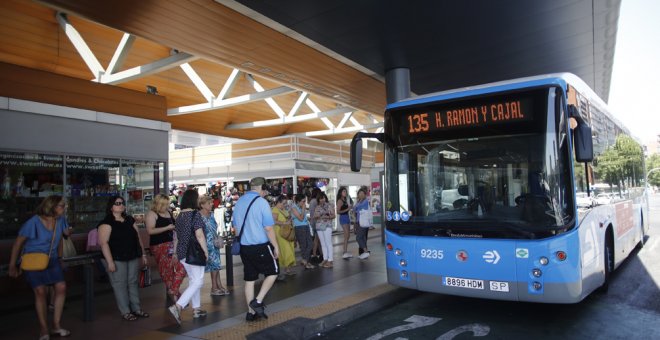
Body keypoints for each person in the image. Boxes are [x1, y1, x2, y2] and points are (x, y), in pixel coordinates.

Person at [8, 195, 70, 339]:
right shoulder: (34, 222)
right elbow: (18, 243)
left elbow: (60, 239)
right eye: (62, 205)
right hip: (33, 260)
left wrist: (60, 258)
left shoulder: (60, 220)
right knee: (40, 291)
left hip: (52, 259)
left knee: (61, 287)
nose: (64, 208)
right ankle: (43, 328)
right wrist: (12, 265)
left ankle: (56, 325)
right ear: (52, 206)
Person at [233, 177, 279, 321]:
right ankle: (257, 301)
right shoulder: (261, 202)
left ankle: (250, 313)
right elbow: (268, 228)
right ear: (261, 188)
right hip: (260, 246)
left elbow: (235, 227)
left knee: (250, 279)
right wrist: (276, 246)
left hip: (244, 247)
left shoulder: (239, 202)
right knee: (273, 272)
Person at [98, 196, 150, 322]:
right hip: (116, 258)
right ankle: (125, 311)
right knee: (119, 284)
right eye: (117, 203)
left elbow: (137, 238)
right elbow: (103, 243)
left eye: (122, 203)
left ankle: (136, 308)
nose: (121, 205)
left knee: (132, 282)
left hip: (131, 255)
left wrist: (143, 254)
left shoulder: (129, 220)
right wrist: (110, 262)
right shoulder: (106, 223)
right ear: (111, 207)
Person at [168, 189, 209, 324]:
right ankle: (178, 306)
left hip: (182, 252)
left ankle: (196, 309)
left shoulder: (179, 216)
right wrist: (205, 251)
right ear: (193, 199)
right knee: (198, 281)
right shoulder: (195, 214)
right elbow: (199, 235)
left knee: (193, 280)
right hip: (194, 252)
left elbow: (177, 238)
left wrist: (175, 252)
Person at [145, 194, 186, 303]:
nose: (167, 206)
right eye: (164, 204)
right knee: (167, 271)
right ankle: (176, 297)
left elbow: (175, 229)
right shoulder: (152, 214)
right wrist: (167, 228)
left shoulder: (168, 213)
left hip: (172, 244)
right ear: (159, 204)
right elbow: (150, 231)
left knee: (182, 267)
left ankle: (173, 291)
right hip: (159, 245)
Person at [198, 194, 229, 296]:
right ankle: (214, 287)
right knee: (214, 265)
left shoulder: (211, 214)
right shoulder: (199, 216)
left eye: (211, 202)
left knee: (216, 265)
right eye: (209, 203)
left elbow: (215, 227)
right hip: (206, 243)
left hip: (213, 243)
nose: (211, 204)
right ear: (202, 205)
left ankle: (219, 285)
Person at [272, 195, 296, 279]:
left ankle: (288, 268)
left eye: (285, 203)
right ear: (279, 202)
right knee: (285, 249)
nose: (285, 204)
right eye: (283, 203)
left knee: (290, 248)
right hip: (280, 233)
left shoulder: (284, 209)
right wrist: (284, 223)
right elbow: (273, 221)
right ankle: (287, 269)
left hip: (287, 232)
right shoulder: (275, 210)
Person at [291, 193, 314, 269]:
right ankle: (307, 262)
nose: (304, 203)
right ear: (298, 201)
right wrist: (304, 208)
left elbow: (304, 218)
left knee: (310, 244)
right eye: (303, 201)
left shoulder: (301, 207)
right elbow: (300, 218)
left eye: (305, 201)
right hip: (299, 227)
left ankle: (305, 260)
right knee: (303, 245)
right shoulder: (294, 207)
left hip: (306, 226)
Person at [314, 192, 336, 268]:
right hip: (319, 226)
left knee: (328, 243)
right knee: (323, 243)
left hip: (327, 225)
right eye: (320, 198)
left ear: (325, 198)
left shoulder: (329, 205)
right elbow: (315, 216)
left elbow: (334, 215)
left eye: (323, 198)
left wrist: (327, 217)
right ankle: (325, 259)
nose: (322, 200)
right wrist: (318, 215)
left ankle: (330, 260)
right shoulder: (317, 207)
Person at [353, 187, 371, 259]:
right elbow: (354, 209)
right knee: (362, 237)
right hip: (358, 221)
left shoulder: (365, 201)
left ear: (365, 194)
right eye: (359, 193)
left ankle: (366, 252)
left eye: (362, 193)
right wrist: (356, 207)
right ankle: (365, 252)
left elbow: (357, 208)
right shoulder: (359, 201)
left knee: (358, 238)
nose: (360, 194)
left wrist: (356, 207)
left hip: (363, 222)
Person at [336, 187, 353, 259]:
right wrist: (347, 209)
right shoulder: (339, 201)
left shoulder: (345, 199)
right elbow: (338, 212)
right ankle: (344, 252)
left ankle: (345, 251)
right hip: (343, 218)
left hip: (346, 217)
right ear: (340, 193)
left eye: (345, 191)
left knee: (348, 235)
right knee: (346, 235)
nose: (345, 193)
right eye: (343, 191)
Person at [308, 188, 322, 263]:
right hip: (316, 222)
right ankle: (314, 254)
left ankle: (319, 253)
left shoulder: (311, 201)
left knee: (317, 239)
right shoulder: (315, 201)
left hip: (313, 222)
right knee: (317, 239)